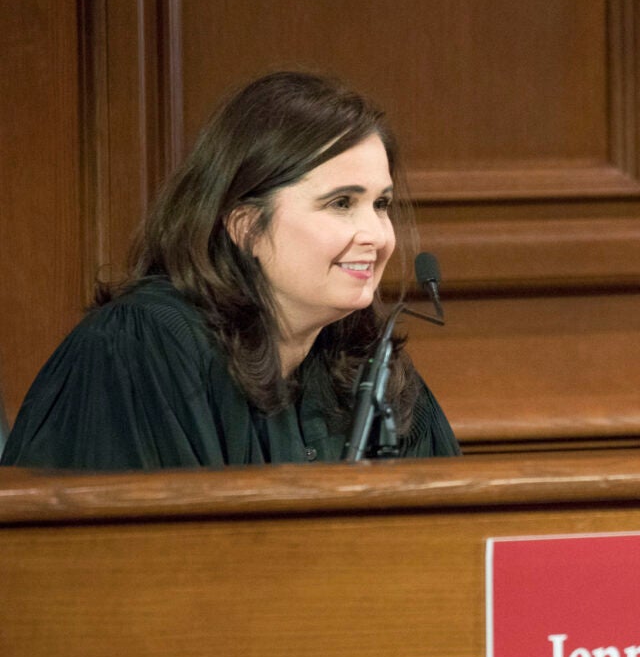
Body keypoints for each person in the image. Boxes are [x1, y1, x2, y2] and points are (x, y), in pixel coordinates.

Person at [1, 71, 460, 469]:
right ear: (246, 228)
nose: (377, 237)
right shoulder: (143, 347)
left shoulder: (369, 366)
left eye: (380, 204)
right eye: (340, 203)